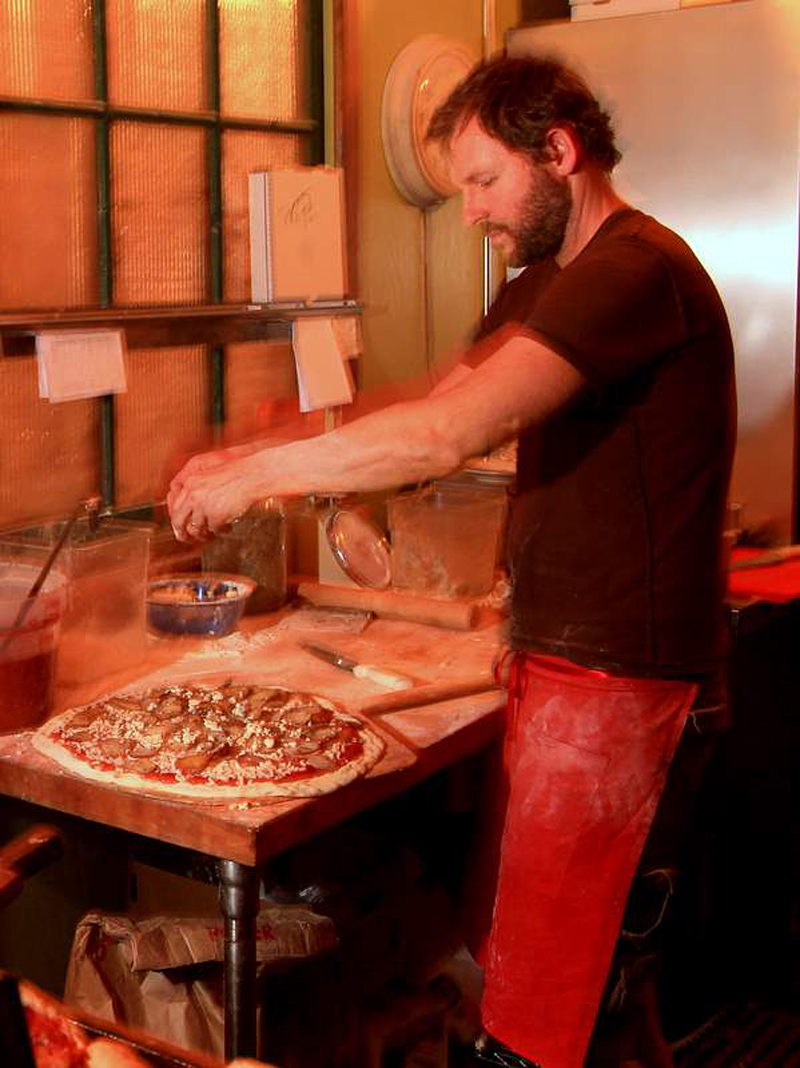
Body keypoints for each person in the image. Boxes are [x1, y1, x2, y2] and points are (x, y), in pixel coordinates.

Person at [168, 54, 736, 1068]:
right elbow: (434, 396)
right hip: (560, 669)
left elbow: (444, 440)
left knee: (538, 1030)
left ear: (557, 152)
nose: (471, 210)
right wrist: (256, 447)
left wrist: (256, 484)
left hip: (622, 688)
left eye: (483, 180)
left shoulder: (634, 271)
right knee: (554, 985)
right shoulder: (550, 285)